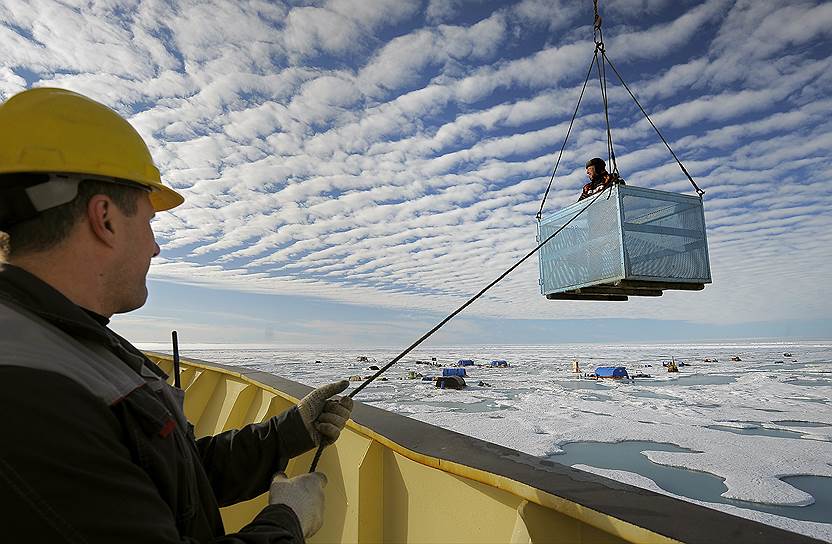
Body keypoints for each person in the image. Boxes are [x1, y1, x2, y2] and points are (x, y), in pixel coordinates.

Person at [0, 88, 353, 543]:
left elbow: (172, 475)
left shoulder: (69, 346)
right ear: (104, 219)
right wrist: (287, 522)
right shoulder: (28, 394)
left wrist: (290, 432)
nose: (155, 246)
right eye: (149, 222)